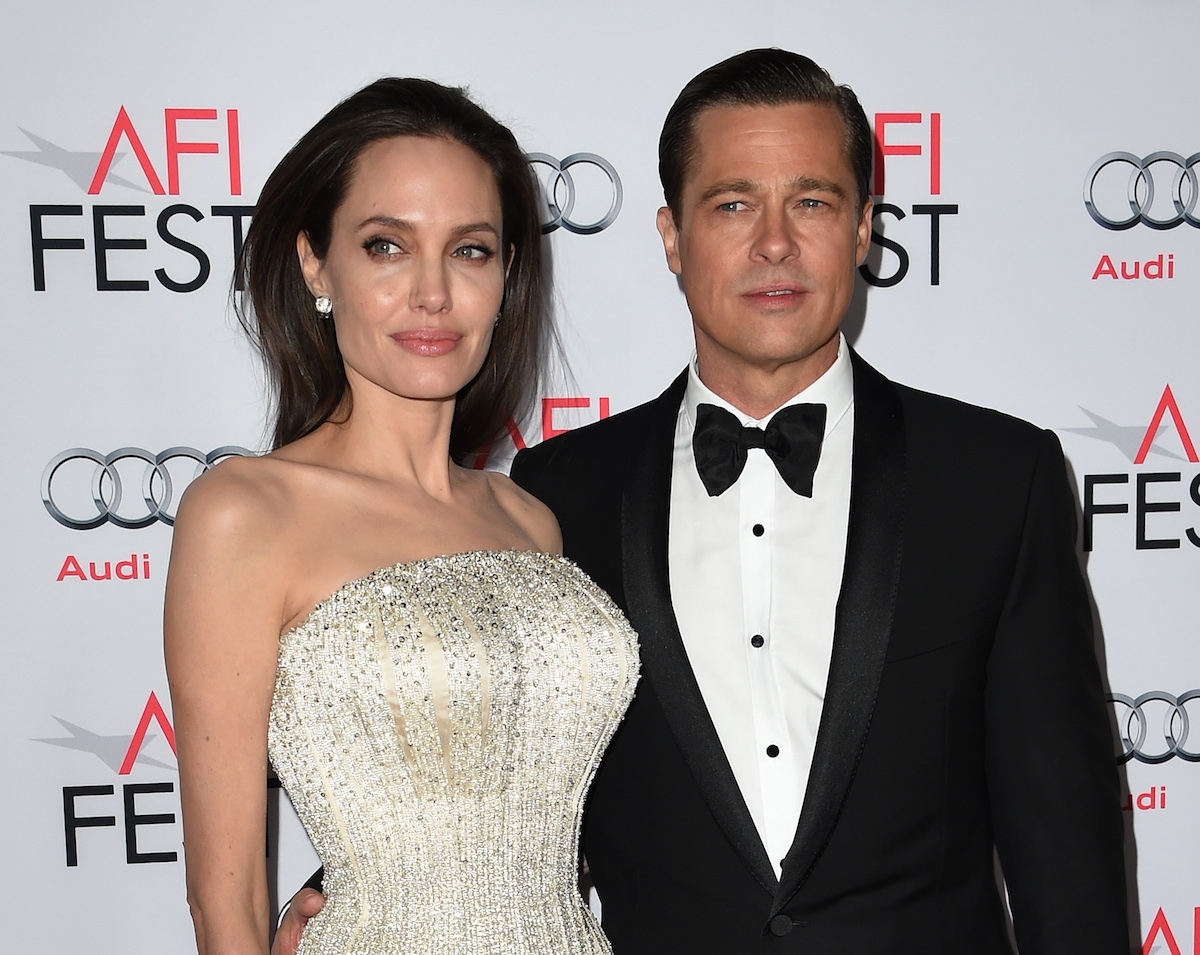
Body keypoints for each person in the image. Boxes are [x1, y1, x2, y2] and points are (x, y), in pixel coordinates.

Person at [277, 50, 1130, 954]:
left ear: (864, 230)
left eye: (812, 201)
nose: (774, 243)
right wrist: (351, 893)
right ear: (673, 238)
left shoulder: (998, 478)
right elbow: (502, 767)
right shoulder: (558, 496)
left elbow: (1068, 857)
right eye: (732, 204)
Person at [164, 77, 638, 955]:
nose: (433, 294)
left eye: (470, 251)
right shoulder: (244, 513)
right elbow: (223, 898)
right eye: (387, 246)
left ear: (505, 276)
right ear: (315, 264)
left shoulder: (529, 519)